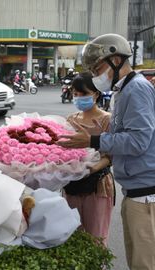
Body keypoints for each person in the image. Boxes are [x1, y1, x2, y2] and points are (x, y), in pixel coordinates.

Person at [57, 33, 155, 270]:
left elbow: (138, 140)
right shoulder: (123, 91)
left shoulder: (137, 89)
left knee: (144, 264)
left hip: (145, 195)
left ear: (117, 59)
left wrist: (92, 140)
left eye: (98, 67)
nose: (96, 74)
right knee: (137, 262)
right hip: (134, 192)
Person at [63, 72, 114, 246]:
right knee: (72, 236)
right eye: (75, 94)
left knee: (96, 237)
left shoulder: (106, 120)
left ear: (96, 94)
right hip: (71, 184)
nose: (78, 98)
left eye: (83, 94)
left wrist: (92, 168)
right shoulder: (71, 120)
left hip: (97, 185)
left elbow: (110, 156)